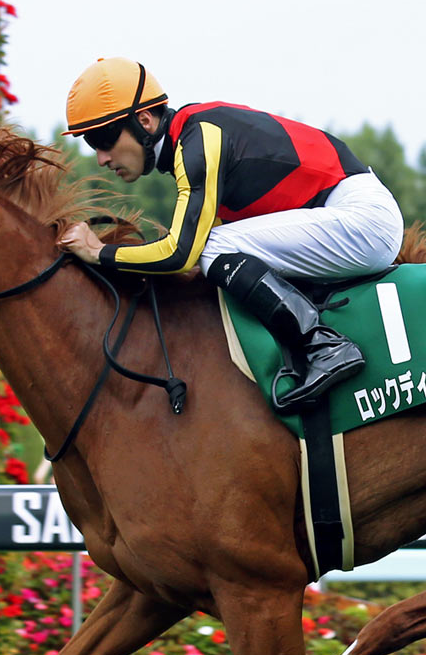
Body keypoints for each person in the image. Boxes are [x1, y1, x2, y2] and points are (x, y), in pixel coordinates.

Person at [56, 58, 405, 412]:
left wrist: (99, 252)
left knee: (211, 247)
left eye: (103, 138)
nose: (100, 157)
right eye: (90, 143)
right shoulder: (193, 137)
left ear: (144, 120)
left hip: (361, 218)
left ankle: (323, 345)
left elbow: (181, 254)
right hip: (347, 216)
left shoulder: (197, 140)